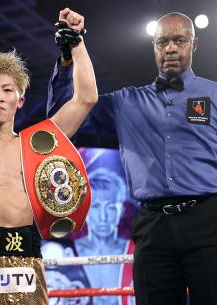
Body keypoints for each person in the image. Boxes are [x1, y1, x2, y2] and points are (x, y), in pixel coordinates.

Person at [47, 11, 217, 305]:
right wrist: (66, 60)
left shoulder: (214, 94)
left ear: (194, 44)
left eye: (180, 41)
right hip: (153, 228)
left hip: (209, 223)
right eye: (163, 42)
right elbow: (61, 120)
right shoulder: (126, 102)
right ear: (154, 47)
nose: (171, 49)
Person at [0, 8, 97, 305]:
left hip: (24, 259)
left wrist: (76, 41)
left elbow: (86, 98)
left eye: (7, 89)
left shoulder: (37, 143)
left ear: (19, 99)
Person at [75, 167, 128, 305]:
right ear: (85, 210)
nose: (103, 217)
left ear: (121, 211)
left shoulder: (133, 251)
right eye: (96, 207)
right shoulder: (70, 252)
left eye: (110, 207)